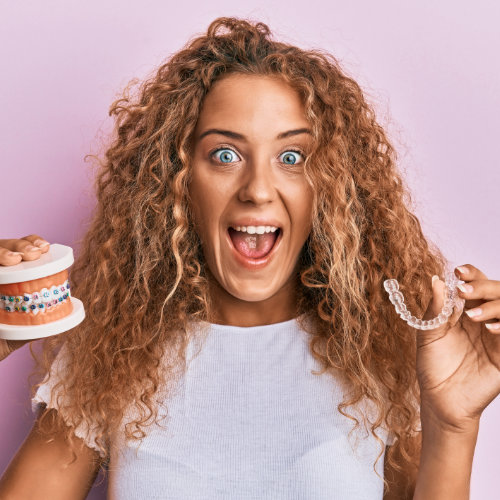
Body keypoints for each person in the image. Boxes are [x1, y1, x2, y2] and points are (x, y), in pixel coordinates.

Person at [0, 16, 499, 500]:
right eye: (225, 154)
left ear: (332, 187)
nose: (258, 189)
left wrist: (453, 427)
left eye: (292, 158)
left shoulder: (384, 357)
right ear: (175, 183)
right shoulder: (111, 356)